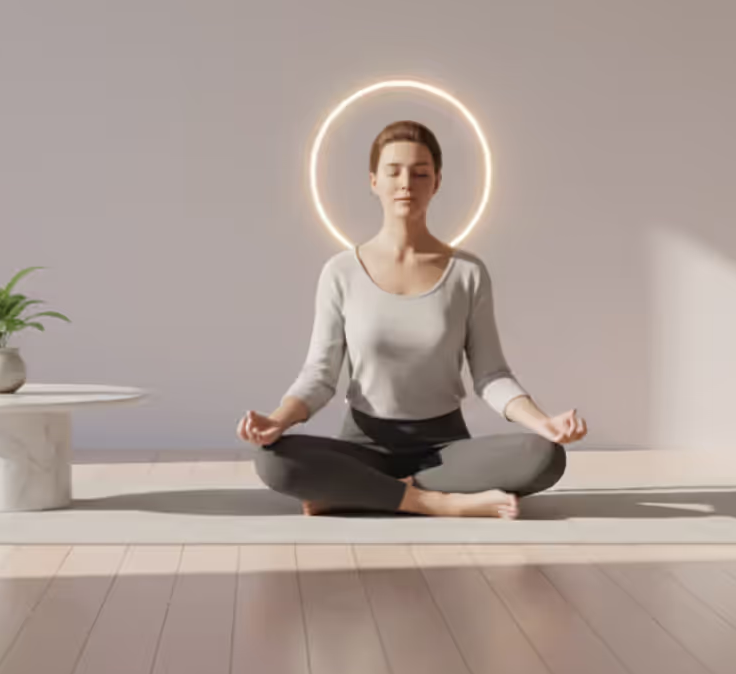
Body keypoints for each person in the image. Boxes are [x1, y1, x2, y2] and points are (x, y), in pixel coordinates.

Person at [236, 119, 587, 519]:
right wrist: (275, 420)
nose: (407, 182)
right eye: (394, 171)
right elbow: (319, 376)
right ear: (373, 181)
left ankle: (360, 494)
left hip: (445, 452)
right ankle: (435, 502)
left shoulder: (467, 272)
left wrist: (544, 422)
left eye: (421, 173)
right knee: (272, 460)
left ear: (436, 183)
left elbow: (491, 376)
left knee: (544, 457)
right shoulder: (341, 272)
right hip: (363, 447)